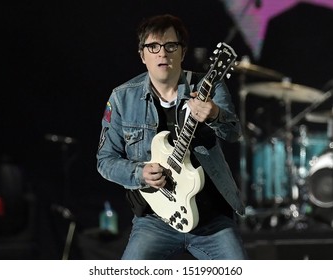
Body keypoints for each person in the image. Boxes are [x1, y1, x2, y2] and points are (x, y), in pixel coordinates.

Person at [96, 14, 247, 260]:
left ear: (182, 52)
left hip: (212, 220)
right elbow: (105, 160)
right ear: (142, 55)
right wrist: (140, 173)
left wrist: (215, 114)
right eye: (153, 46)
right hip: (155, 220)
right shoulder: (122, 99)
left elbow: (233, 133)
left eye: (170, 46)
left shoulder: (209, 86)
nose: (162, 53)